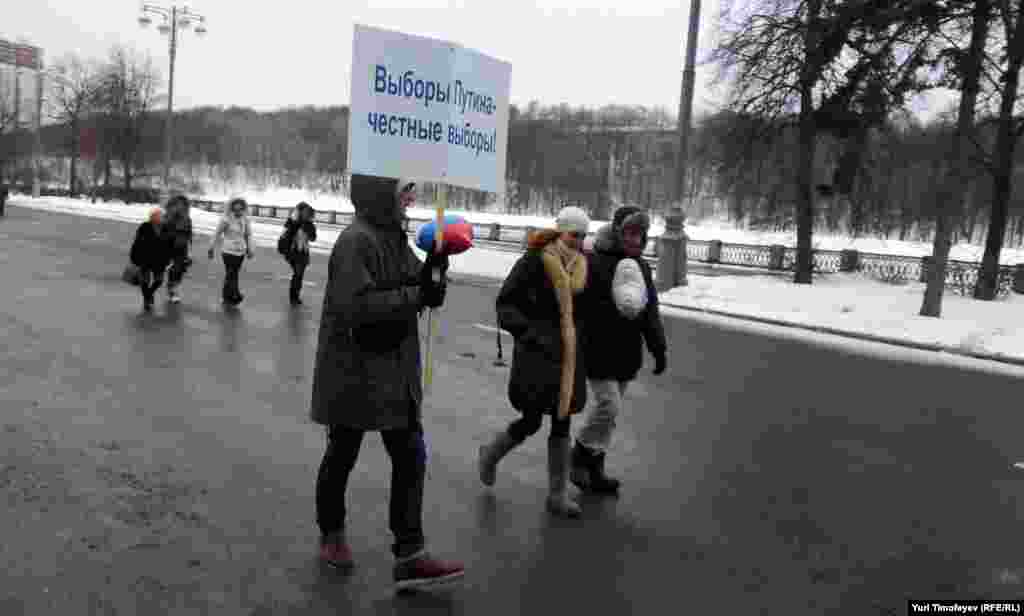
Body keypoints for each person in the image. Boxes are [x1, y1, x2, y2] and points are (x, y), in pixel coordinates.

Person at [309, 174, 464, 591]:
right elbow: (357, 306)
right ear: (382, 195)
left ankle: (410, 554)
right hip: (354, 371)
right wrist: (418, 295)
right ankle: (332, 532)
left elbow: (421, 288)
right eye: (404, 190)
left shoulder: (394, 237)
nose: (412, 197)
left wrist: (436, 264)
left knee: (411, 454)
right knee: (342, 453)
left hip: (394, 371)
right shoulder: (355, 241)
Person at [478, 205, 591, 518]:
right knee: (531, 421)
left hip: (569, 358)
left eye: (583, 236)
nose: (578, 241)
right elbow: (506, 302)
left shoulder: (584, 265)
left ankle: (557, 494)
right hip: (537, 355)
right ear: (560, 232)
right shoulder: (534, 260)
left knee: (562, 421)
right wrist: (528, 333)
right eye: (573, 234)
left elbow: (589, 310)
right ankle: (489, 455)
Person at [571, 206, 667, 494]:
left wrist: (658, 348)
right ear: (617, 231)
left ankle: (596, 469)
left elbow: (650, 311)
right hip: (597, 348)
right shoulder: (595, 261)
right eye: (628, 233)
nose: (634, 240)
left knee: (611, 414)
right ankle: (578, 455)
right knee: (608, 406)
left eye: (639, 234)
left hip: (626, 351)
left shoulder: (642, 268)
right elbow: (576, 304)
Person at [207, 197, 253, 306]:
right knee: (231, 273)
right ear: (231, 209)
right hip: (228, 251)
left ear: (244, 209)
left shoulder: (245, 219)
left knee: (232, 274)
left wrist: (249, 249)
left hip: (240, 252)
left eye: (240, 209)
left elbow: (248, 235)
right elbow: (217, 234)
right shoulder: (226, 219)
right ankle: (235, 295)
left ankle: (226, 296)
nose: (238, 212)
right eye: (236, 210)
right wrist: (211, 247)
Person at [130, 208, 172, 312]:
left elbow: (169, 245)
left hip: (160, 260)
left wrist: (169, 258)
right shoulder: (145, 226)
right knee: (144, 281)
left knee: (159, 280)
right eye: (160, 216)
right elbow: (137, 242)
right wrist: (134, 257)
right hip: (145, 258)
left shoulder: (165, 228)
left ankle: (149, 294)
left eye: (162, 216)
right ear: (153, 217)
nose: (162, 218)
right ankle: (147, 300)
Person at [280, 201, 318, 305]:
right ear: (300, 212)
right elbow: (284, 235)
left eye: (307, 213)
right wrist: (295, 225)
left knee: (299, 274)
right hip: (293, 251)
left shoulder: (309, 224)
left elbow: (313, 238)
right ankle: (294, 296)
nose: (306, 214)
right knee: (298, 273)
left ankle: (295, 295)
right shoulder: (292, 221)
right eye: (304, 212)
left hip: (303, 252)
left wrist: (308, 228)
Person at [162, 194, 194, 304]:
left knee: (179, 270)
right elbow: (162, 231)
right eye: (178, 204)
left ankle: (172, 288)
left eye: (183, 205)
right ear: (173, 204)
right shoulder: (168, 216)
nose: (181, 207)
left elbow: (189, 234)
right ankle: (171, 290)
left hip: (182, 248)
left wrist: (189, 249)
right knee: (173, 269)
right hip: (169, 247)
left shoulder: (187, 219)